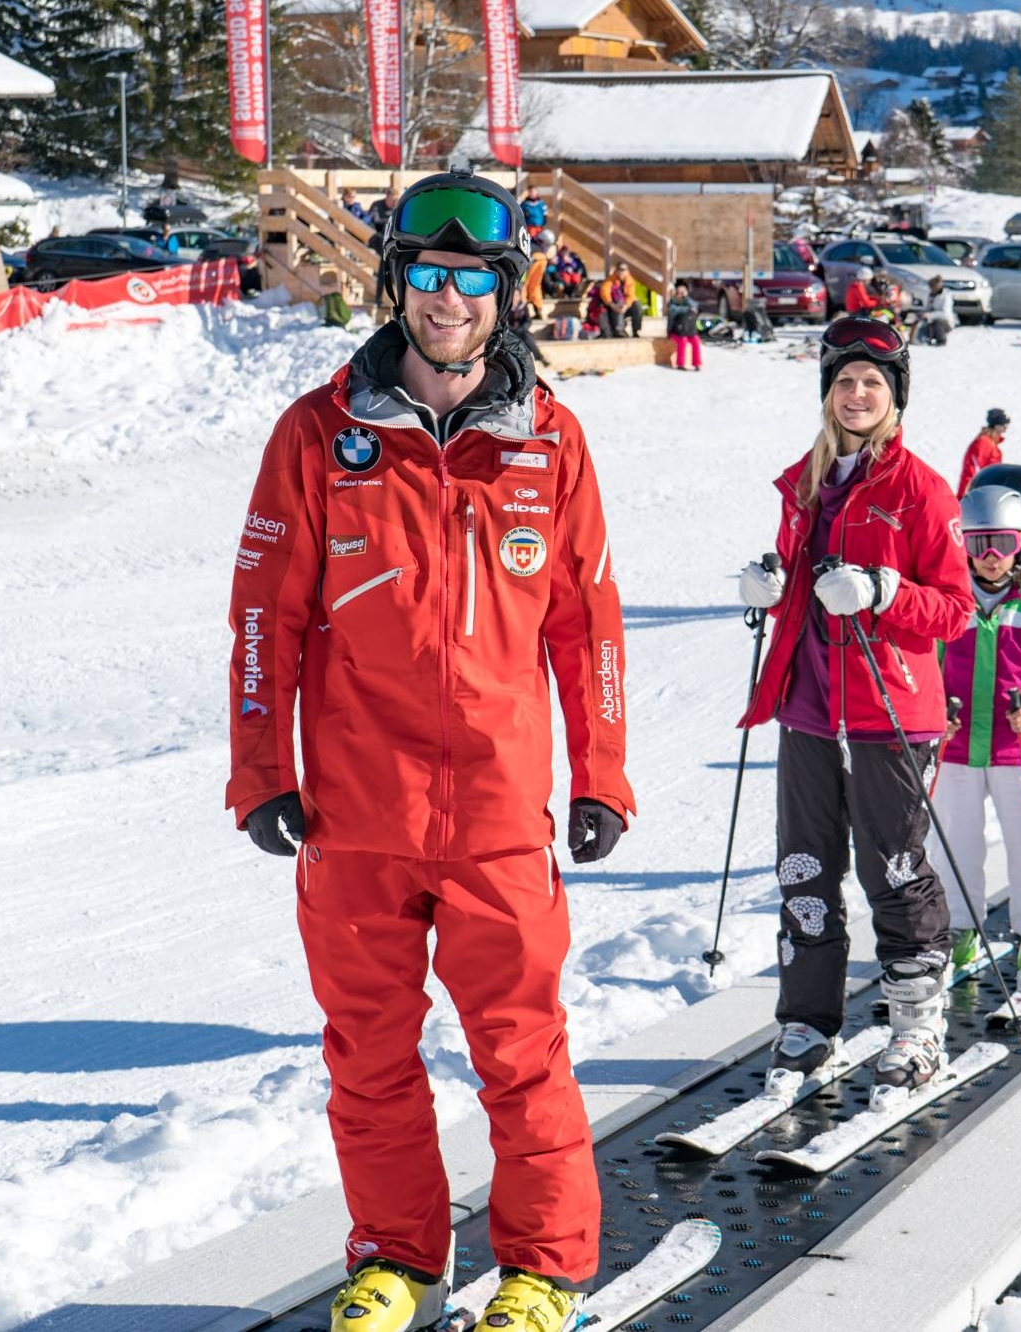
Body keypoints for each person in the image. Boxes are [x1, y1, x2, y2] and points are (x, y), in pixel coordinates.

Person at [227, 169, 632, 1332]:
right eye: (427, 275)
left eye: (472, 280)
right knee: (367, 1053)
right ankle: (396, 1258)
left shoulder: (550, 442)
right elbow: (266, 616)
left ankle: (542, 1272)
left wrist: (601, 771)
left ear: (506, 297)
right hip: (358, 815)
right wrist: (261, 773)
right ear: (395, 284)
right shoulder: (319, 434)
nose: (448, 300)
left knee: (522, 1050)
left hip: (500, 814)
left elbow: (585, 622)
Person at [735, 316, 973, 1096]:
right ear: (827, 393)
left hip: (892, 711)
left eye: (873, 382)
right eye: (845, 381)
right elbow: (803, 588)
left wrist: (884, 592)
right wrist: (770, 591)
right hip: (808, 707)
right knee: (805, 868)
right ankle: (808, 1023)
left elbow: (956, 608)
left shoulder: (922, 489)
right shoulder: (802, 482)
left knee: (895, 870)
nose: (858, 393)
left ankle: (916, 1024)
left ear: (894, 395)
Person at [930, 485, 1021, 993]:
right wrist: (931, 715)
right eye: (978, 543)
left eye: (1003, 543)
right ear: (961, 544)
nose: (990, 557)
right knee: (953, 844)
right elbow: (927, 667)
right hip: (958, 746)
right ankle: (961, 931)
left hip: (1019, 748)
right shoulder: (948, 604)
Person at [957, 408, 1010, 496]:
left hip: (986, 490)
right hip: (976, 493)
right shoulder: (983, 443)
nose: (1005, 428)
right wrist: (966, 496)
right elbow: (973, 470)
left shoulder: (991, 442)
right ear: (996, 425)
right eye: (1003, 424)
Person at [587, 263, 642, 339]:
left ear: (627, 271)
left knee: (637, 305)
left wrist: (626, 306)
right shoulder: (610, 280)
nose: (621, 272)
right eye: (619, 269)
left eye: (623, 270)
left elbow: (631, 295)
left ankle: (636, 331)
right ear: (616, 270)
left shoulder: (630, 281)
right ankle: (618, 330)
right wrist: (612, 305)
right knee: (618, 301)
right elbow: (604, 292)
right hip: (612, 307)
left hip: (624, 307)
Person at [666, 279, 702, 371]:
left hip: (688, 330)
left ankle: (697, 364)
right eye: (678, 292)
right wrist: (689, 309)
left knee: (696, 340)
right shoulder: (672, 302)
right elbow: (674, 310)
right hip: (674, 331)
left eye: (683, 292)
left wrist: (686, 298)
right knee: (683, 340)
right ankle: (680, 364)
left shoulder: (687, 301)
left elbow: (696, 306)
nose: (680, 294)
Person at [917, 275, 956, 346]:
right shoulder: (931, 295)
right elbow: (928, 309)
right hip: (932, 321)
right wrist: (922, 313)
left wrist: (929, 315)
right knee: (921, 321)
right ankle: (924, 339)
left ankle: (942, 340)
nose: (930, 289)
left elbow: (945, 314)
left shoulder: (945, 296)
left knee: (937, 322)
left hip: (945, 322)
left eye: (931, 287)